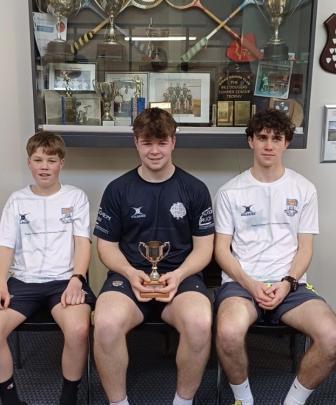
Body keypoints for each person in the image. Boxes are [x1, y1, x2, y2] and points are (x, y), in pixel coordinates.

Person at [214, 109, 336, 405]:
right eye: (262, 137)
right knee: (228, 333)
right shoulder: (230, 192)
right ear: (250, 142)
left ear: (286, 143)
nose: (269, 145)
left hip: (290, 285)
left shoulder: (304, 189)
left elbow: (305, 247)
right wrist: (251, 283)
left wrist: (287, 282)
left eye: (276, 138)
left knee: (331, 338)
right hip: (241, 284)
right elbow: (221, 250)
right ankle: (243, 399)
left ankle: (293, 401)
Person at [93, 107, 215, 405]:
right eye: (147, 142)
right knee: (106, 323)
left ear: (173, 142)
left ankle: (183, 401)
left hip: (180, 279)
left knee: (200, 322)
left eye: (162, 142)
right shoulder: (117, 189)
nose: (155, 150)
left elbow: (204, 249)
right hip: (129, 277)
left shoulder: (195, 189)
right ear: (136, 142)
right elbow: (106, 246)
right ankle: (118, 402)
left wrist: (178, 276)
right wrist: (131, 273)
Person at [0, 131, 96, 405]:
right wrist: (1, 282)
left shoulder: (75, 197)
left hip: (64, 281)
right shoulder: (17, 200)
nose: (44, 166)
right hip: (23, 281)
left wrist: (77, 279)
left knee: (78, 330)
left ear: (61, 163)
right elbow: (5, 245)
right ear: (29, 162)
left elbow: (82, 243)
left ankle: (68, 397)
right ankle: (9, 399)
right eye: (38, 160)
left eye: (51, 160)